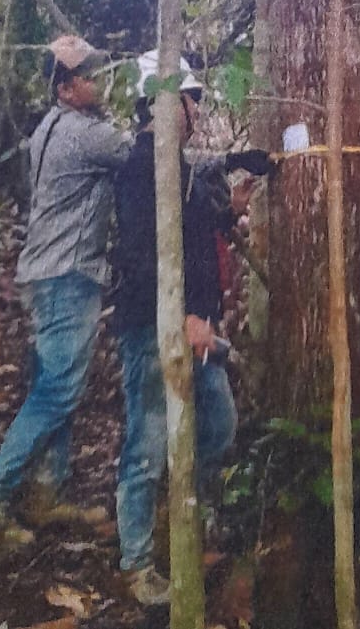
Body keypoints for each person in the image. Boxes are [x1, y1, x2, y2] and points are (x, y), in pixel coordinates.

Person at [111, 50, 271, 606]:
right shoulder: (140, 169)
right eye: (191, 100)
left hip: (197, 329)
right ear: (162, 102)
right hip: (152, 328)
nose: (197, 111)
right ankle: (136, 563)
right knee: (147, 441)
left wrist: (231, 209)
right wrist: (182, 320)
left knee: (219, 426)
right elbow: (138, 256)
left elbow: (191, 233)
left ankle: (183, 522)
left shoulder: (176, 166)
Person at [0, 35, 131, 542]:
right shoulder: (86, 134)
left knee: (52, 384)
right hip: (67, 274)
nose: (98, 81)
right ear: (64, 89)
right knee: (57, 390)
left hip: (44, 271)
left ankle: (46, 492)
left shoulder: (49, 128)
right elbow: (149, 155)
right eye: (87, 75)